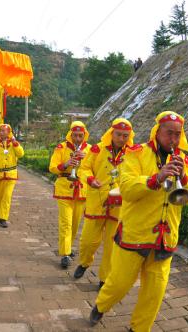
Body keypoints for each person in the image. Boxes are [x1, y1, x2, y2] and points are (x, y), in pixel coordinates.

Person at [90, 111, 188, 331]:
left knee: (154, 294)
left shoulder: (185, 160)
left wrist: (184, 178)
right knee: (118, 285)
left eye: (178, 134)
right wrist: (156, 178)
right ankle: (101, 306)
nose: (174, 139)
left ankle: (139, 328)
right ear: (157, 132)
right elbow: (128, 188)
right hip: (134, 234)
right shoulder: (136, 153)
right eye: (169, 133)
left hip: (165, 238)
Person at [74, 118, 135, 288]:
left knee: (111, 246)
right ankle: (85, 262)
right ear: (111, 133)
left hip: (119, 206)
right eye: (118, 134)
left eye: (125, 135)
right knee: (88, 241)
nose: (121, 138)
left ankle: (104, 278)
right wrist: (90, 179)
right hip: (97, 202)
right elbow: (84, 168)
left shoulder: (133, 153)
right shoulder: (97, 149)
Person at [49, 121, 90, 268]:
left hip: (81, 190)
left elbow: (94, 168)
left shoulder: (90, 149)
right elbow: (52, 167)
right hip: (65, 188)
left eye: (80, 136)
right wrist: (66, 164)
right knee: (66, 223)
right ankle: (65, 253)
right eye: (75, 136)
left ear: (84, 135)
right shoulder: (62, 147)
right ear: (70, 135)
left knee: (75, 224)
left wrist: (85, 159)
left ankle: (68, 247)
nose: (78, 139)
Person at [0, 124, 24, 227]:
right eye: (0, 130)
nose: (2, 132)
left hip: (11, 174)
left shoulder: (14, 143)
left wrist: (15, 144)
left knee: (7, 196)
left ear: (9, 132)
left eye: (4, 131)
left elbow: (21, 154)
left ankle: (3, 218)